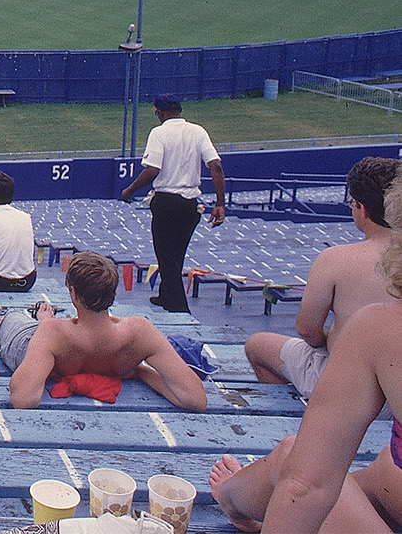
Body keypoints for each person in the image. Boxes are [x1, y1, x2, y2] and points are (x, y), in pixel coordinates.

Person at [207, 172, 402, 531]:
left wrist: (338, 343)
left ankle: (235, 502)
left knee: (295, 463)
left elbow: (307, 330)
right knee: (383, 467)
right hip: (385, 414)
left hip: (334, 378)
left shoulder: (374, 318)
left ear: (362, 210)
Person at [0, 252, 207, 412]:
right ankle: (38, 318)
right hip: (62, 340)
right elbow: (196, 399)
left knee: (9, 319)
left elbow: (23, 399)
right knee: (44, 323)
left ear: (74, 294)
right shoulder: (140, 331)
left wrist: (45, 329)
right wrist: (139, 371)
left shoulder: (53, 333)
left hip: (35, 347)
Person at [244, 156, 397, 397]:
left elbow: (307, 331)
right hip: (395, 388)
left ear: (362, 209)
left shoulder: (335, 259)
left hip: (347, 387)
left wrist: (333, 341)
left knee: (257, 345)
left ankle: (307, 420)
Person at [120, 93, 226, 312]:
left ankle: (180, 308)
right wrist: (220, 203)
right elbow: (216, 166)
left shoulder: (159, 133)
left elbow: (152, 170)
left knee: (166, 257)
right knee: (176, 255)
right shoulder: (198, 131)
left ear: (161, 112)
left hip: (166, 202)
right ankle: (166, 296)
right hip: (190, 205)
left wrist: (130, 190)